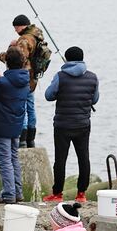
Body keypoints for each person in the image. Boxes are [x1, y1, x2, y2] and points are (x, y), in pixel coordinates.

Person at [43, 46, 100, 204]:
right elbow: (94, 100)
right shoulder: (92, 77)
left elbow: (48, 95)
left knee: (60, 160)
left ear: (67, 59)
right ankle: (81, 194)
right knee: (84, 158)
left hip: (62, 125)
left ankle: (57, 193)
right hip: (83, 125)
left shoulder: (61, 76)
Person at [0, 14, 52, 147]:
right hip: (33, 77)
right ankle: (31, 139)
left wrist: (3, 55)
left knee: (22, 106)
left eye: (16, 27)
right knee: (31, 106)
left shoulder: (25, 39)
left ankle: (22, 139)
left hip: (22, 77)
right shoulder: (37, 35)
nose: (15, 30)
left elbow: (17, 58)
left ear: (22, 26)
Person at [0, 47, 31, 203]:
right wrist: (1, 79)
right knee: (13, 158)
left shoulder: (3, 83)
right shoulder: (25, 81)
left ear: (7, 63)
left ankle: (8, 194)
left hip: (2, 125)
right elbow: (9, 87)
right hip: (17, 125)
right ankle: (17, 192)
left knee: (4, 160)